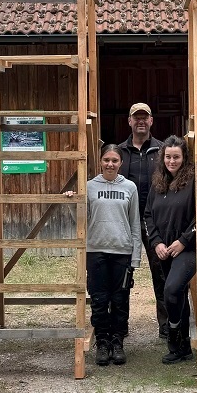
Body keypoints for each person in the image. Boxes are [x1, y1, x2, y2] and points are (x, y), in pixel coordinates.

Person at [66, 145, 142, 366]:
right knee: (99, 299)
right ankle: (102, 342)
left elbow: (135, 224)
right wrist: (73, 203)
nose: (110, 164)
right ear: (100, 161)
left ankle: (117, 342)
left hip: (122, 251)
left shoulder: (130, 187)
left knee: (120, 299)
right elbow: (82, 220)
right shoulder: (89, 186)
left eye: (115, 160)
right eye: (106, 159)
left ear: (121, 163)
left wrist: (135, 257)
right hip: (96, 250)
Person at [144, 135, 197, 364]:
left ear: (184, 157)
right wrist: (156, 242)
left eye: (176, 157)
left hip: (189, 247)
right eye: (168, 157)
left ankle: (173, 337)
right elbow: (148, 215)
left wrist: (184, 241)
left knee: (171, 290)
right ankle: (183, 348)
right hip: (165, 248)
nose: (172, 161)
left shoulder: (195, 180)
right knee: (176, 293)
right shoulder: (158, 182)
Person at [118, 102, 166, 339]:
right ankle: (120, 325)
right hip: (124, 223)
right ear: (129, 121)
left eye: (144, 118)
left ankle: (167, 327)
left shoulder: (162, 150)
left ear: (151, 121)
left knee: (162, 273)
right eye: (136, 117)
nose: (140, 121)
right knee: (122, 274)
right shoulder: (118, 152)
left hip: (155, 223)